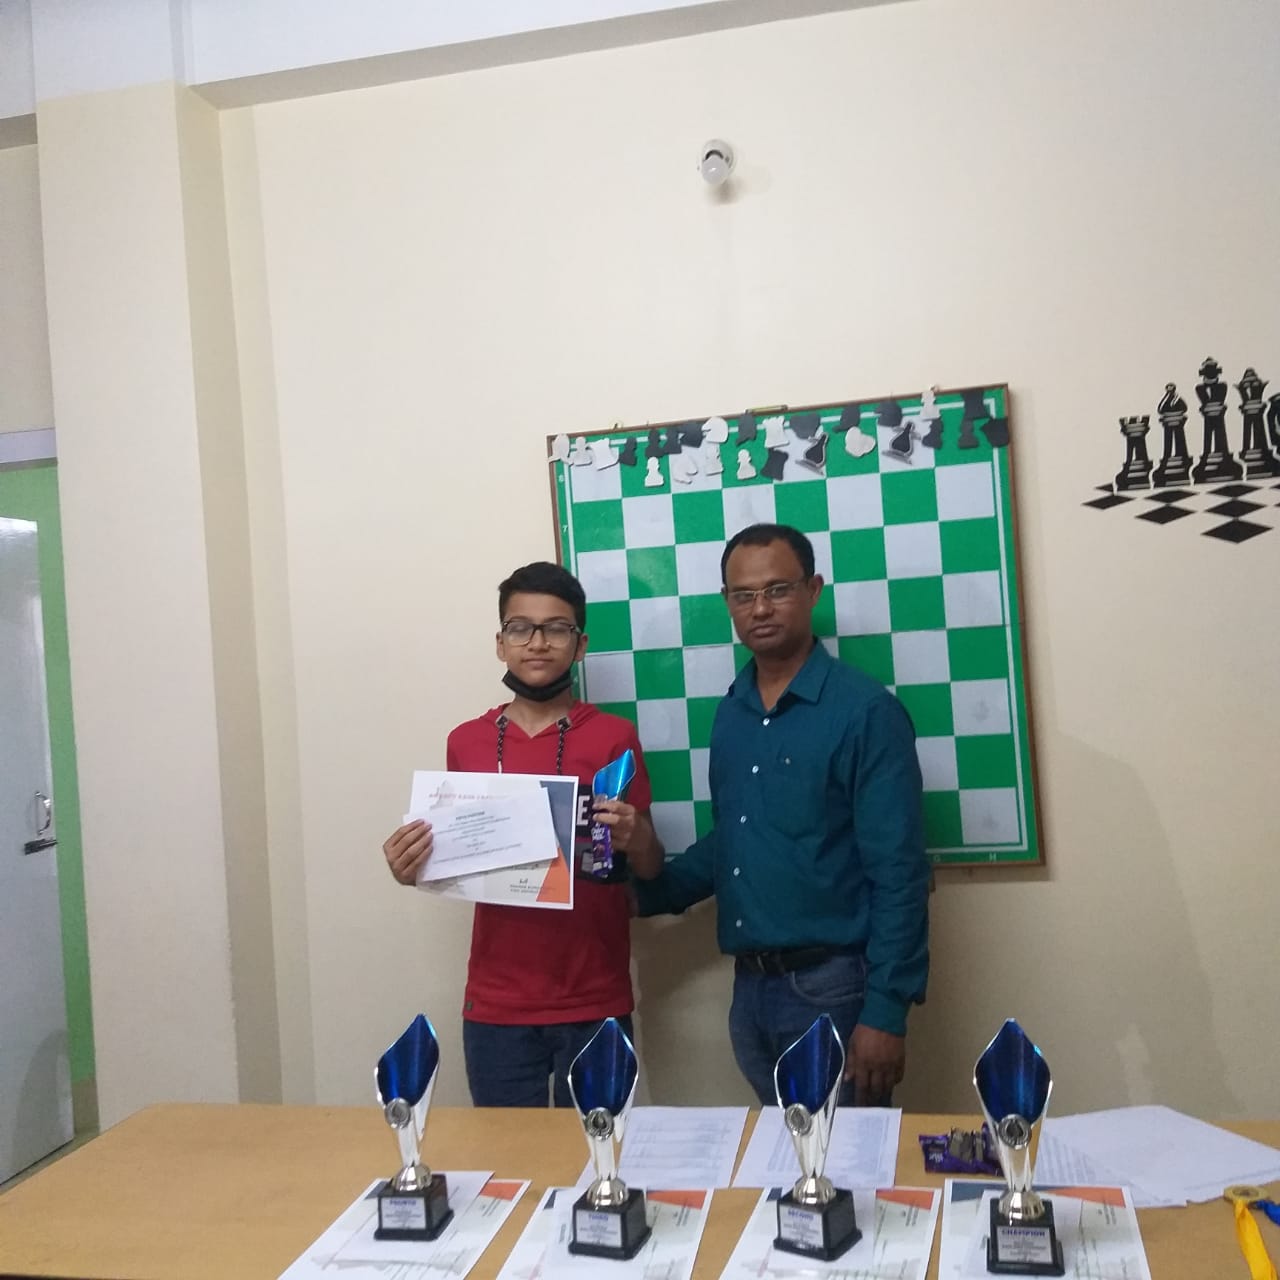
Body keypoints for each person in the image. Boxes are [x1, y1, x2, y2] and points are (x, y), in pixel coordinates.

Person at [632, 523, 929, 1106]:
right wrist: (641, 894)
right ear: (727, 602)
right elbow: (736, 841)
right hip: (751, 993)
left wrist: (886, 1010)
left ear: (813, 590)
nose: (760, 608)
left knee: (839, 1161)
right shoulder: (733, 712)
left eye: (777, 589)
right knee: (783, 1158)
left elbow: (900, 873)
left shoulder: (865, 712)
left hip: (834, 990)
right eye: (744, 595)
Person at [382, 561, 663, 1107]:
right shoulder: (465, 742)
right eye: (520, 628)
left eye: (556, 628)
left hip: (594, 993)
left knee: (599, 1148)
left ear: (580, 645)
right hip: (497, 1001)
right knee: (508, 1151)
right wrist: (410, 865)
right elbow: (454, 856)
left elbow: (649, 867)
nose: (537, 642)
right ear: (500, 643)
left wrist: (637, 837)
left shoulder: (614, 737)